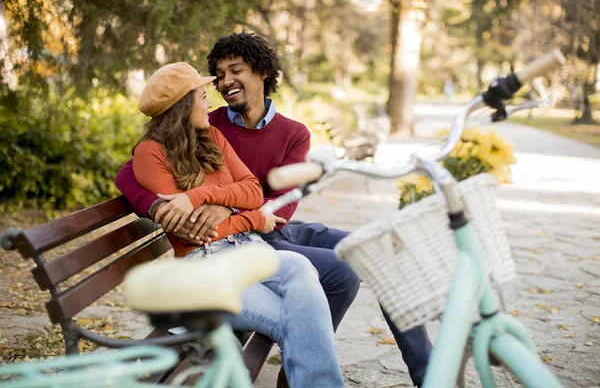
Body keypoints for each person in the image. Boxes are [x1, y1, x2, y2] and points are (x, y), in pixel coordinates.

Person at [116, 33, 431, 387]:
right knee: (337, 275)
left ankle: (430, 375)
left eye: (235, 71)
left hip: (270, 228)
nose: (224, 83)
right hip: (242, 238)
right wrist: (158, 206)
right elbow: (130, 172)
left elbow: (277, 202)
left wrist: (216, 205)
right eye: (218, 76)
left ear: (262, 73)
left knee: (376, 251)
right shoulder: (211, 123)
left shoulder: (291, 133)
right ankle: (304, 374)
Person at [130, 61, 344, 387]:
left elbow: (253, 190)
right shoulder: (150, 153)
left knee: (301, 268)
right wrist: (252, 217)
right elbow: (194, 229)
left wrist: (203, 196)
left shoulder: (212, 136)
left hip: (247, 247)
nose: (209, 103)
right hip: (204, 266)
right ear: (182, 105)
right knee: (298, 322)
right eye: (202, 96)